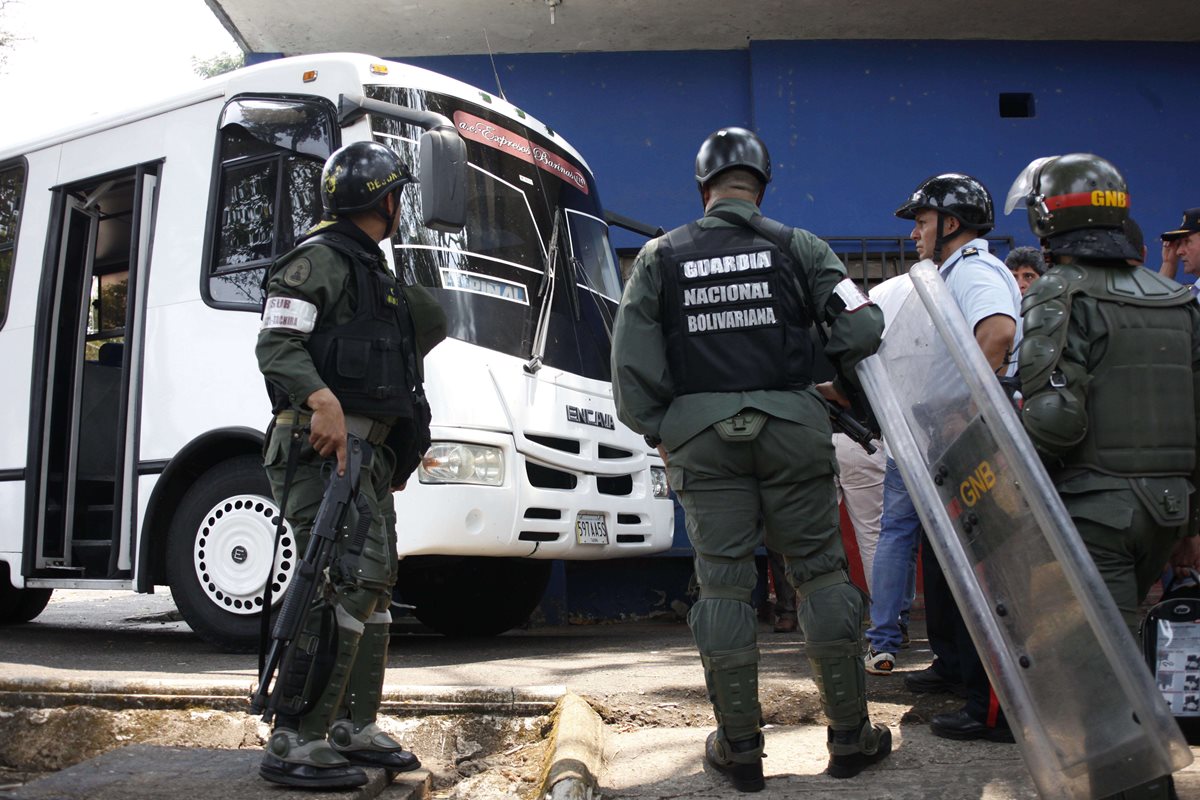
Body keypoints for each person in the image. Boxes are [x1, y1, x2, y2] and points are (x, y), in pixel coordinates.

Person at [611, 126, 890, 792]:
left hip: (701, 436)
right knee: (820, 575)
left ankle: (740, 749)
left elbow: (629, 364)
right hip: (794, 428)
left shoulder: (659, 256)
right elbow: (865, 324)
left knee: (724, 582)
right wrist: (807, 362)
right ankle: (850, 738)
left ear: (703, 187)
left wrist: (663, 427)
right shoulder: (800, 247)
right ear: (761, 183)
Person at [1009, 152, 1200, 800]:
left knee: (1102, 689)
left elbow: (1057, 417)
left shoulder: (1059, 292)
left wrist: (1015, 478)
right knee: (1130, 670)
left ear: (1046, 217)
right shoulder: (1176, 298)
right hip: (1168, 510)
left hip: (1095, 513)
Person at [255, 141, 443, 789]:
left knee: (374, 585)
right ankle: (294, 736)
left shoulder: (373, 273)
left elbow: (403, 368)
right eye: (398, 198)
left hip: (368, 456)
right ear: (386, 200)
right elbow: (277, 343)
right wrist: (322, 399)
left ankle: (350, 725)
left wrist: (403, 449)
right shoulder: (318, 262)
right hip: (320, 447)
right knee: (329, 585)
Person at [878, 174, 1022, 745]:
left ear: (952, 224)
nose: (915, 233)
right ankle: (955, 668)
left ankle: (990, 707)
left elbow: (997, 335)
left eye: (922, 222)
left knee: (980, 574)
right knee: (944, 566)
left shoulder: (977, 270)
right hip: (945, 436)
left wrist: (964, 413)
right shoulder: (951, 272)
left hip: (969, 436)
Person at [1158, 208, 1200, 296]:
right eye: (1179, 243)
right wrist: (1169, 263)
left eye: (1187, 241)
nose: (1178, 251)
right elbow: (1154, 306)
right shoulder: (1195, 291)